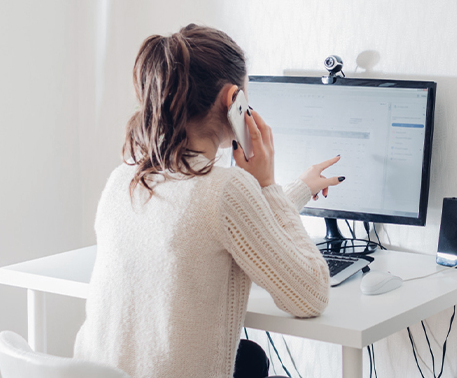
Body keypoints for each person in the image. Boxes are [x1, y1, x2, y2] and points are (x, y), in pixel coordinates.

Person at [73, 24, 341, 378]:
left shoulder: (124, 179)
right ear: (234, 100)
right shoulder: (227, 189)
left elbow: (227, 226)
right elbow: (311, 295)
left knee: (251, 360)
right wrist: (266, 185)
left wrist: (298, 189)